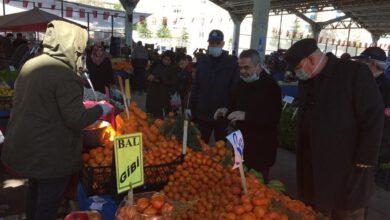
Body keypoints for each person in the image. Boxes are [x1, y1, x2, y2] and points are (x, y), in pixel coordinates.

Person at [1, 20, 112, 220]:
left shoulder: (31, 63)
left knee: (34, 192)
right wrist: (100, 109)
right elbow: (76, 118)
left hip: (27, 146)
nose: (82, 53)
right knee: (48, 203)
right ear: (72, 45)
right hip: (50, 153)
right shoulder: (64, 74)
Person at [284, 39, 383, 219]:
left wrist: (365, 159)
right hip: (313, 164)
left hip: (347, 167)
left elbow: (373, 116)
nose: (297, 73)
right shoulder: (308, 80)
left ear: (311, 60)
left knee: (345, 211)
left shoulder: (354, 73)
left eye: (298, 67)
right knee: (317, 210)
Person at [214, 50, 282, 182]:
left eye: (247, 68)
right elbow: (235, 108)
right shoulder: (241, 83)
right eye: (240, 68)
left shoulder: (271, 87)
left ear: (258, 66)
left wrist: (246, 115)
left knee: (257, 186)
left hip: (261, 146)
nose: (243, 71)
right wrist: (225, 111)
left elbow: (273, 118)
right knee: (238, 181)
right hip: (239, 141)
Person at [190, 30, 240, 143]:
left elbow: (234, 89)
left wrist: (231, 110)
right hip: (202, 114)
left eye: (217, 43)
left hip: (222, 115)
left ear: (222, 44)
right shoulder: (202, 62)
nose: (213, 46)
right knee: (200, 146)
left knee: (220, 149)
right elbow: (196, 86)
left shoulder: (232, 63)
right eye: (211, 43)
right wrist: (191, 108)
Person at [353, 47, 390, 165]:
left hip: (374, 152)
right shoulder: (364, 83)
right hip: (357, 145)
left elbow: (383, 125)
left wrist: (368, 152)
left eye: (362, 62)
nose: (358, 65)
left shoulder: (386, 89)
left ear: (373, 64)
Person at [146, 50, 178, 118]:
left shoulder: (174, 68)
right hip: (152, 90)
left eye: (168, 60)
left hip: (164, 93)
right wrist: (149, 76)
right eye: (165, 59)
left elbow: (173, 82)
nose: (166, 61)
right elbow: (149, 71)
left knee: (160, 113)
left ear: (171, 61)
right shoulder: (157, 63)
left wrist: (159, 80)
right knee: (150, 110)